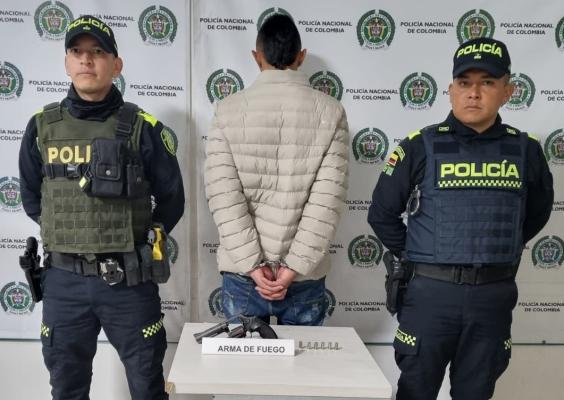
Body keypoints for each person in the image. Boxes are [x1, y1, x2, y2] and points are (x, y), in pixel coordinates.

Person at [367, 37, 553, 400]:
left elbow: (536, 215)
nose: (474, 93)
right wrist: (420, 254)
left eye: (488, 82)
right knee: (415, 392)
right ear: (451, 90)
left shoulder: (526, 150)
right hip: (430, 296)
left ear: (508, 91)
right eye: (464, 83)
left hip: (492, 297)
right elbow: (382, 214)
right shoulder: (419, 146)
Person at [18, 15, 184, 400]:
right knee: (67, 390)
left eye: (97, 52)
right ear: (66, 62)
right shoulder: (41, 127)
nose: (86, 60)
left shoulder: (143, 127)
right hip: (64, 282)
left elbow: (172, 199)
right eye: (77, 51)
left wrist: (139, 239)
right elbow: (31, 197)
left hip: (128, 282)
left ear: (116, 64)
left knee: (147, 387)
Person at [204, 14, 349, 326]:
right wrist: (291, 269)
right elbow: (327, 203)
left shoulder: (226, 111)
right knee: (304, 359)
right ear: (302, 56)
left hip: (243, 275)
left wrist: (254, 267)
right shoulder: (331, 112)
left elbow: (223, 197)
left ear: (256, 57)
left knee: (242, 360)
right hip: (303, 277)